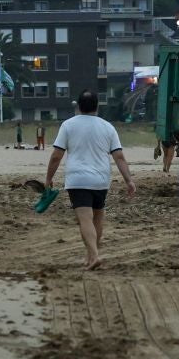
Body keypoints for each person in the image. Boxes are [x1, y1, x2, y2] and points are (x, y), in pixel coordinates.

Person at [44, 90, 135, 271]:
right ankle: (90, 256)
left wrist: (48, 178)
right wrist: (129, 180)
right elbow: (119, 156)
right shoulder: (108, 127)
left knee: (85, 219)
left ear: (78, 106)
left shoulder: (68, 125)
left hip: (78, 179)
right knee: (98, 217)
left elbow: (56, 156)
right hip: (101, 180)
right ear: (97, 106)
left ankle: (94, 256)